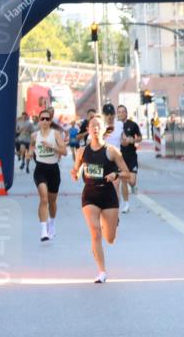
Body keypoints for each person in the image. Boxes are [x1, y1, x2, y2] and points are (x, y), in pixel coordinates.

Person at [70, 114, 134, 283]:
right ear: (88, 129)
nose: (95, 128)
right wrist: (75, 174)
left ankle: (113, 223)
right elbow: (75, 169)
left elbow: (129, 176)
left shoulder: (112, 151)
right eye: (92, 126)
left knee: (110, 239)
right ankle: (102, 271)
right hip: (90, 194)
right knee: (95, 232)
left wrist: (116, 174)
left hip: (108, 195)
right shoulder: (82, 151)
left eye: (99, 125)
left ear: (104, 129)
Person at [28, 108, 67, 242]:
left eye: (47, 119)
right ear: (39, 121)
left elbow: (65, 151)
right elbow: (31, 148)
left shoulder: (55, 134)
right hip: (40, 170)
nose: (44, 121)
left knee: (52, 201)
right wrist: (29, 153)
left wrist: (52, 147)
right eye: (42, 118)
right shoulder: (34, 136)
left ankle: (52, 223)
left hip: (53, 170)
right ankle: (43, 230)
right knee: (43, 199)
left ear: (50, 121)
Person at [115, 104, 141, 213]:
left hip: (131, 156)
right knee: (123, 180)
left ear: (126, 113)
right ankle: (126, 204)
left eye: (123, 111)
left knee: (132, 181)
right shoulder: (114, 126)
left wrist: (132, 140)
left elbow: (139, 137)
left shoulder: (132, 125)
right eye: (119, 112)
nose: (121, 113)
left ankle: (134, 186)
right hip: (120, 157)